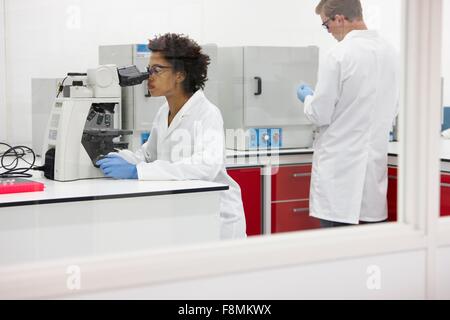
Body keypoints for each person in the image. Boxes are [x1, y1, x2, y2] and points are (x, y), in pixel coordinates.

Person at [97, 33, 246, 239]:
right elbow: (148, 155)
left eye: (157, 70)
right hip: (186, 214)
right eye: (149, 70)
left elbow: (205, 166)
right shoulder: (162, 112)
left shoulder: (207, 113)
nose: (149, 76)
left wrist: (137, 172)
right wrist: (119, 158)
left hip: (216, 216)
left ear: (180, 74)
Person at [296, 0, 399, 228]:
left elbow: (319, 114)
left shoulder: (339, 55)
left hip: (339, 181)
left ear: (340, 18)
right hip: (372, 179)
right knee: (367, 256)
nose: (329, 31)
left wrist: (308, 99)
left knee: (337, 256)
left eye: (326, 25)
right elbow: (394, 108)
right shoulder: (391, 53)